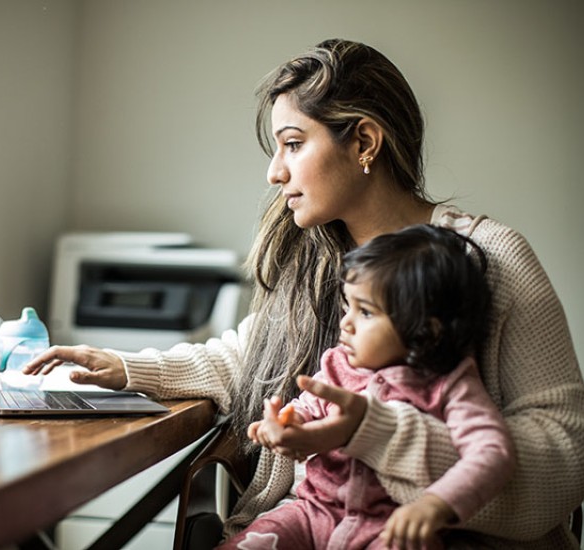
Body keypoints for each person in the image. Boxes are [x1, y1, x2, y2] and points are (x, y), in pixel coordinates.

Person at [25, 39, 584, 548]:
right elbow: (247, 359)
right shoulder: (313, 261)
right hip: (315, 526)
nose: (274, 172)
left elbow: (565, 450)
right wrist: (123, 369)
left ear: (364, 141)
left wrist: (379, 438)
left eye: (293, 143)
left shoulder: (485, 257)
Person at [218, 224, 515, 550]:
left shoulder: (451, 384)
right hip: (312, 512)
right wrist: (288, 424)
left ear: (425, 331)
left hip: (391, 529)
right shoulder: (339, 363)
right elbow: (306, 407)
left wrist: (437, 504)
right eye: (348, 306)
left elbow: (492, 452)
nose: (346, 322)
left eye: (365, 312)